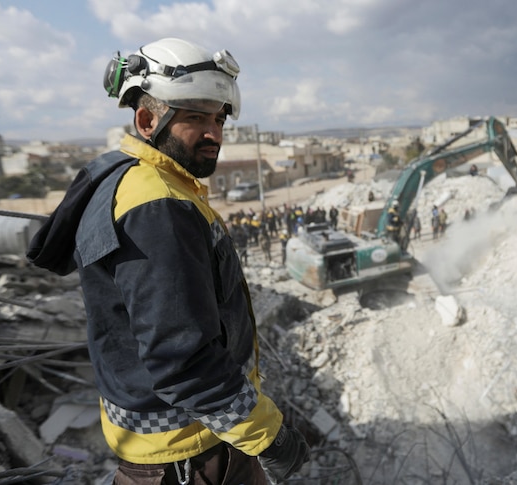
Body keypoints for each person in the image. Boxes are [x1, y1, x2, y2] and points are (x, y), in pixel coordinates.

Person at [26, 38, 308, 484]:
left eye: (219, 118)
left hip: (163, 450)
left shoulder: (132, 177)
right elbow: (182, 358)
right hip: (191, 457)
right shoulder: (157, 207)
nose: (214, 133)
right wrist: (271, 438)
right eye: (195, 117)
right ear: (146, 119)